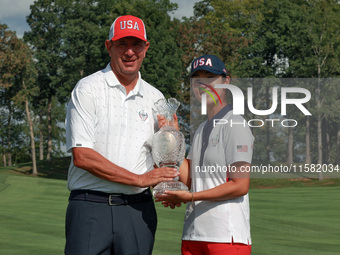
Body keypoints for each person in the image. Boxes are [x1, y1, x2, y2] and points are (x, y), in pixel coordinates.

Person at [64, 15, 179, 255]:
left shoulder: (156, 98)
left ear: (146, 48)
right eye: (121, 44)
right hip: (90, 207)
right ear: (109, 47)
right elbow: (82, 156)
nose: (129, 52)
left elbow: (163, 159)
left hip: (138, 211)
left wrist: (172, 140)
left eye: (136, 44)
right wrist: (138, 179)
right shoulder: (88, 88)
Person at [157, 55, 254, 255]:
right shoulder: (201, 128)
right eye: (197, 78)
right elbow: (191, 179)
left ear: (226, 81)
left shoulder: (236, 125)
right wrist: (175, 136)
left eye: (210, 77)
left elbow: (240, 185)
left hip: (225, 237)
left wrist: (190, 197)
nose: (203, 84)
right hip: (193, 234)